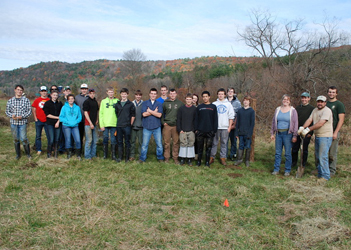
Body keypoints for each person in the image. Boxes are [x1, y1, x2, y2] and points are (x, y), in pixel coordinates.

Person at [300, 95, 333, 183]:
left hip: (325, 136)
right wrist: (302, 127)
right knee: (318, 156)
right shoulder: (315, 110)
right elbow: (309, 120)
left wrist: (308, 129)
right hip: (318, 136)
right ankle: (320, 174)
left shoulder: (327, 111)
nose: (320, 103)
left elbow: (321, 123)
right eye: (318, 101)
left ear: (325, 103)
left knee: (323, 156)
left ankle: (325, 176)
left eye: (322, 102)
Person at [271, 94, 298, 176]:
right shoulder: (278, 109)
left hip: (288, 134)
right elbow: (273, 121)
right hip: (278, 134)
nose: (285, 101)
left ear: (289, 101)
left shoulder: (293, 111)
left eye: (287, 99)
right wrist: (272, 133)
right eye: (284, 99)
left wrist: (295, 135)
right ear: (282, 100)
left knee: (287, 153)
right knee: (278, 153)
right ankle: (276, 169)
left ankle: (287, 170)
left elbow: (296, 123)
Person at [5, 85, 32, 159]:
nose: (19, 91)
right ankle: (18, 154)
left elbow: (29, 111)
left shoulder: (26, 100)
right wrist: (11, 115)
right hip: (13, 123)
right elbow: (7, 111)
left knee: (23, 138)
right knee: (16, 138)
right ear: (15, 90)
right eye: (18, 90)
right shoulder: (10, 100)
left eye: (21, 90)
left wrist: (22, 116)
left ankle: (28, 154)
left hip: (22, 122)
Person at [209, 88, 234, 166]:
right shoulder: (214, 104)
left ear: (224, 95)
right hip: (216, 127)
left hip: (225, 127)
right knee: (214, 143)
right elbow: (211, 117)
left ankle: (223, 158)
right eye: (219, 94)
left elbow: (231, 116)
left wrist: (229, 127)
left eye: (222, 94)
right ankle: (212, 157)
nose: (220, 95)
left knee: (224, 143)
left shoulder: (228, 104)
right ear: (217, 95)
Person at [139, 88, 164, 163]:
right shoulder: (145, 103)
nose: (153, 95)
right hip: (147, 126)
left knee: (159, 144)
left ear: (156, 95)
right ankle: (142, 158)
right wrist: (154, 112)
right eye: (152, 93)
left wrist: (149, 111)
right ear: (149, 94)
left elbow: (159, 115)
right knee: (144, 145)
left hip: (157, 127)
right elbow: (144, 114)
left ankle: (160, 157)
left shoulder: (159, 104)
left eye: (154, 94)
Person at [292, 92, 315, 169]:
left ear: (309, 98)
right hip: (298, 131)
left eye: (306, 98)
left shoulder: (312, 109)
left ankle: (303, 164)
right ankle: (293, 162)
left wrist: (310, 132)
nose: (304, 99)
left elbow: (313, 121)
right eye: (303, 98)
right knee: (295, 148)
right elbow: (294, 120)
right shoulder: (298, 108)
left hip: (306, 132)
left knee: (304, 149)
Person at [194, 91, 218, 167]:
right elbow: (196, 119)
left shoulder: (213, 107)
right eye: (203, 96)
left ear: (209, 97)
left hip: (209, 131)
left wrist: (214, 130)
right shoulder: (199, 107)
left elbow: (215, 119)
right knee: (200, 147)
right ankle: (199, 162)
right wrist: (196, 129)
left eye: (206, 96)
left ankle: (207, 162)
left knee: (208, 148)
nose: (205, 98)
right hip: (200, 130)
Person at [326, 86, 345, 176]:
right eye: (330, 92)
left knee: (332, 153)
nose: (331, 94)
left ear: (336, 93)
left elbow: (341, 120)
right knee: (323, 153)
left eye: (333, 92)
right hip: (324, 132)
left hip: (333, 131)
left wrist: (336, 132)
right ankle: (323, 169)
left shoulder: (339, 104)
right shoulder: (325, 104)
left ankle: (332, 171)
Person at [162, 88, 184, 164]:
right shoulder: (165, 103)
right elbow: (161, 114)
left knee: (176, 142)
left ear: (176, 94)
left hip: (176, 126)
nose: (172, 95)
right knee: (166, 142)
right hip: (167, 125)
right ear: (169, 94)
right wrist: (163, 122)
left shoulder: (180, 103)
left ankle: (175, 158)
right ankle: (166, 158)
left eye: (174, 93)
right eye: (171, 94)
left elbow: (182, 115)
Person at [115, 88, 136, 162]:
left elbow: (133, 115)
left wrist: (130, 124)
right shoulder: (117, 104)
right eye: (122, 94)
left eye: (125, 94)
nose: (123, 95)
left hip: (127, 126)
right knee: (119, 142)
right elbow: (117, 114)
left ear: (127, 94)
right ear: (120, 94)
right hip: (119, 126)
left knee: (127, 142)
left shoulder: (130, 104)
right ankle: (120, 157)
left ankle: (127, 158)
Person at [59, 94, 82, 159]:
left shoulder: (77, 107)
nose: (71, 100)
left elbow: (80, 117)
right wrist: (67, 121)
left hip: (75, 125)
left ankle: (78, 155)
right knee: (68, 139)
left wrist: (76, 121)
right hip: (66, 126)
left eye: (72, 99)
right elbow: (61, 117)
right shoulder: (64, 107)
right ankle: (69, 154)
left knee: (77, 140)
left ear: (74, 100)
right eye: (69, 99)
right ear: (67, 100)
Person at [235, 96, 255, 167]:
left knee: (247, 146)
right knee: (240, 146)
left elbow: (252, 123)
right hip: (241, 132)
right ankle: (239, 159)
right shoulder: (240, 110)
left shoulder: (251, 111)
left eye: (247, 100)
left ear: (249, 102)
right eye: (244, 100)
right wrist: (236, 132)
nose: (245, 102)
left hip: (248, 133)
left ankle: (246, 160)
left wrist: (250, 134)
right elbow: (237, 123)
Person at [99, 87, 119, 160]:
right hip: (105, 124)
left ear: (114, 92)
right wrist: (101, 125)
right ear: (107, 93)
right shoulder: (103, 101)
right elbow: (101, 113)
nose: (111, 93)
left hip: (114, 124)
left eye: (112, 92)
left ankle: (113, 155)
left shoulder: (117, 101)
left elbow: (119, 113)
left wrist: (118, 124)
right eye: (109, 92)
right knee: (105, 139)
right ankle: (105, 155)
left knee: (113, 140)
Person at [177, 93, 197, 165]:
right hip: (183, 130)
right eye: (187, 99)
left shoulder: (194, 109)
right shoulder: (181, 109)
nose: (188, 101)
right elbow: (178, 119)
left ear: (192, 100)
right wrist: (180, 129)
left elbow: (196, 120)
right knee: (183, 144)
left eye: (190, 99)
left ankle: (189, 159)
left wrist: (194, 129)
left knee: (191, 144)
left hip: (191, 130)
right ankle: (182, 158)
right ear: (185, 100)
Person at [43, 90, 63, 158]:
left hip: (58, 123)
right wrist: (57, 117)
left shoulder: (59, 103)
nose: (55, 96)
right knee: (51, 139)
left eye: (56, 95)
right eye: (54, 95)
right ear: (51, 95)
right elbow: (47, 114)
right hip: (50, 123)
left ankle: (55, 153)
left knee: (57, 139)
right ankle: (49, 153)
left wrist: (58, 121)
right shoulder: (47, 103)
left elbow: (62, 114)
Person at [32, 86, 50, 155]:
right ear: (40, 92)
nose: (44, 92)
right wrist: (35, 119)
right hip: (39, 120)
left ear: (47, 92)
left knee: (48, 136)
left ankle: (49, 149)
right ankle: (38, 149)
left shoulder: (49, 100)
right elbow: (34, 109)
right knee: (38, 136)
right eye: (42, 91)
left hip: (47, 121)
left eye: (45, 91)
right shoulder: (37, 100)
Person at [83, 89, 99, 160]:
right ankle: (87, 156)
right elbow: (85, 113)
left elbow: (96, 111)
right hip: (88, 124)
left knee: (95, 140)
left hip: (94, 123)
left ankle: (93, 154)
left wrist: (96, 119)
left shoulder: (95, 102)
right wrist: (90, 123)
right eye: (90, 93)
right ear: (88, 94)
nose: (92, 95)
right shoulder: (86, 102)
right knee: (89, 140)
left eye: (93, 93)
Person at [227, 87, 242, 161]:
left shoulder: (238, 102)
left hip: (234, 125)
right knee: (225, 141)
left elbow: (239, 114)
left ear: (234, 93)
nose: (230, 93)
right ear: (227, 93)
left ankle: (233, 155)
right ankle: (225, 155)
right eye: (229, 91)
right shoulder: (224, 101)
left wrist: (234, 124)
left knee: (233, 141)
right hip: (225, 125)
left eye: (232, 91)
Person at [130, 90, 144, 161]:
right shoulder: (131, 104)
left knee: (140, 142)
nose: (138, 96)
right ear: (135, 96)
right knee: (132, 141)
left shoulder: (143, 104)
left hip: (141, 126)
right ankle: (132, 155)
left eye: (139, 95)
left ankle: (140, 155)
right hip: (133, 126)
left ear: (141, 96)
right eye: (137, 95)